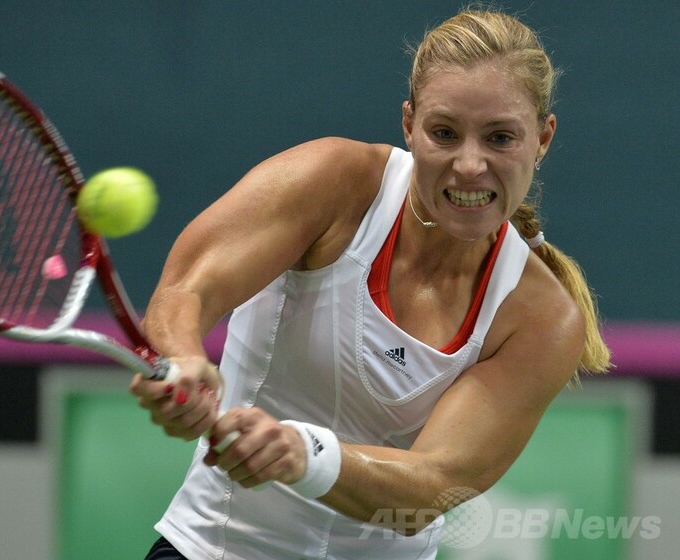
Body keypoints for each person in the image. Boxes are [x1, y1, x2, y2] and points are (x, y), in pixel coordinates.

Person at [132, 7, 612, 559]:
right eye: (444, 133)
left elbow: (431, 487)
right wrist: (184, 359)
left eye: (500, 138)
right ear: (409, 124)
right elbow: (186, 291)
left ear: (543, 138)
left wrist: (304, 452)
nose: (469, 165)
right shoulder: (334, 182)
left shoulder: (543, 318)